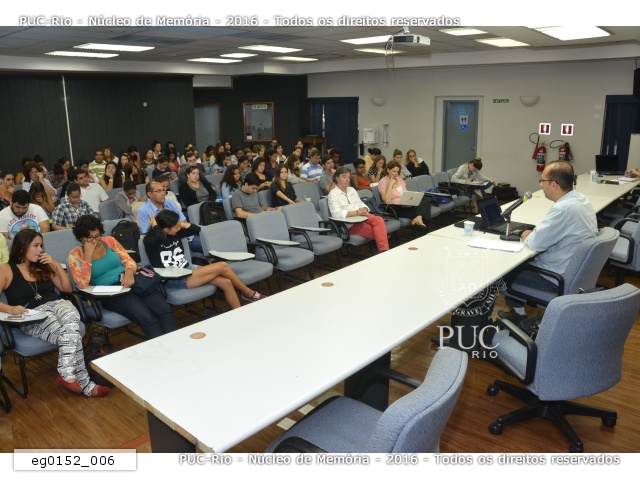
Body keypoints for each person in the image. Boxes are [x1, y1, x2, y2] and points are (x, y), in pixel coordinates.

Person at [0, 230, 110, 397]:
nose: (40, 250)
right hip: (32, 315)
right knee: (71, 335)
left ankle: (66, 372)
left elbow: (66, 289)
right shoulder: (6, 269)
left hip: (58, 304)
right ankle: (87, 385)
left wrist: (56, 263)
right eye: (35, 246)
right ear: (22, 246)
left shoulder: (43, 265)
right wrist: (10, 309)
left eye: (41, 246)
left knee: (71, 317)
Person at [497, 161, 598, 322]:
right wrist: (538, 232)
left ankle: (510, 317)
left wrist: (529, 234)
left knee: (498, 274)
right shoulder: (581, 199)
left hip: (554, 279)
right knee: (520, 263)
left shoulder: (563, 209)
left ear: (554, 184)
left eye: (542, 181)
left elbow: (535, 243)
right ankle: (517, 314)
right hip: (573, 272)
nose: (540, 184)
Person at [68, 215, 178, 340]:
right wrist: (88, 256)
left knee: (165, 309)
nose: (95, 241)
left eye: (97, 235)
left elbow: (129, 260)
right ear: (80, 238)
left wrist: (129, 272)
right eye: (90, 238)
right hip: (110, 292)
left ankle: (174, 344)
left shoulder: (109, 241)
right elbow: (81, 284)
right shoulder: (75, 254)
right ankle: (162, 349)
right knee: (147, 318)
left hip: (130, 280)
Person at [144, 210, 267, 307]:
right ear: (165, 229)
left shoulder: (176, 233)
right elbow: (160, 238)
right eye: (176, 226)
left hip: (188, 269)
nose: (179, 228)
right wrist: (155, 226)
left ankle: (239, 313)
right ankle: (248, 293)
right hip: (174, 278)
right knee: (222, 266)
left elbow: (198, 230)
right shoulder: (150, 241)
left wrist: (182, 224)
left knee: (226, 282)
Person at [328, 167, 389, 253]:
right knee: (377, 232)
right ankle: (384, 252)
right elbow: (336, 213)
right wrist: (356, 213)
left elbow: (360, 203)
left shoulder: (352, 190)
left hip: (362, 215)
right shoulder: (333, 194)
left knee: (379, 220)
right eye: (344, 177)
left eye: (348, 177)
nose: (347, 179)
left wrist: (364, 208)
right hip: (350, 223)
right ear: (337, 178)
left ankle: (384, 251)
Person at [378, 160, 431, 229]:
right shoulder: (382, 182)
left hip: (405, 204)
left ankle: (418, 218)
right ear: (388, 170)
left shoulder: (399, 179)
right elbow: (387, 201)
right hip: (395, 207)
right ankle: (420, 221)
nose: (396, 174)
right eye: (394, 171)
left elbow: (406, 193)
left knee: (426, 199)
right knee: (423, 211)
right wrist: (390, 184)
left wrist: (412, 199)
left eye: (397, 172)